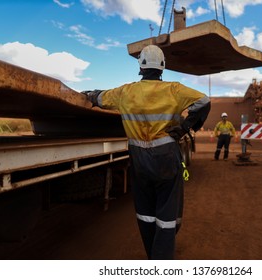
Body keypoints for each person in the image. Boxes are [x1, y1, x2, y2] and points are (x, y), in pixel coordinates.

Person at [84, 45, 211, 259]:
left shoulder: (125, 92)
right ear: (162, 67)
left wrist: (87, 94)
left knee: (145, 212)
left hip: (139, 159)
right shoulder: (175, 90)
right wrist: (183, 128)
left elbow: (98, 98)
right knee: (167, 212)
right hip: (166, 156)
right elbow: (204, 101)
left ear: (140, 66)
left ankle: (152, 256)